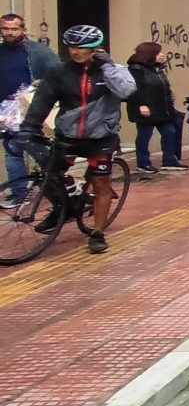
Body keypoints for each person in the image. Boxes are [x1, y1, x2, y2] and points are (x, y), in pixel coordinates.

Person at [17, 26, 134, 254]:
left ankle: (98, 233)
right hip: (68, 135)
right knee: (50, 175)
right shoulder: (59, 72)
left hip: (100, 138)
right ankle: (64, 207)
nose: (76, 52)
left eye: (82, 47)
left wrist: (108, 66)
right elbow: (43, 100)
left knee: (101, 183)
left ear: (95, 49)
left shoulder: (112, 70)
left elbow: (126, 91)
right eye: (72, 46)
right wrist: (30, 126)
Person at [1, 13, 59, 203]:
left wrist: (40, 86)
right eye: (5, 28)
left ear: (23, 30)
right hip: (6, 113)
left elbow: (58, 75)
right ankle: (20, 194)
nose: (9, 32)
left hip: (34, 110)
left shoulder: (39, 52)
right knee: (12, 151)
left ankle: (59, 193)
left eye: (14, 29)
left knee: (41, 154)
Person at [125, 43, 185, 173]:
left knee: (170, 132)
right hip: (146, 109)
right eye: (158, 53)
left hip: (161, 109)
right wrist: (141, 104)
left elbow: (164, 88)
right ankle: (143, 163)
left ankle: (169, 160)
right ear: (149, 55)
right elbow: (132, 90)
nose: (162, 55)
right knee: (144, 135)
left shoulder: (157, 69)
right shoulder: (136, 69)